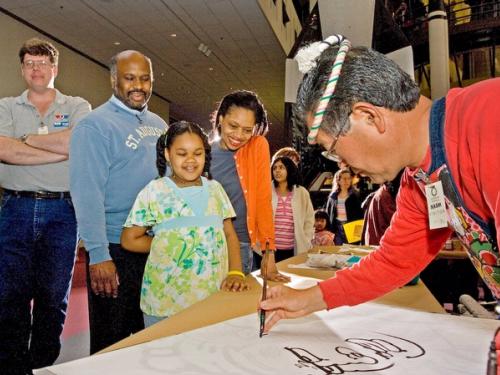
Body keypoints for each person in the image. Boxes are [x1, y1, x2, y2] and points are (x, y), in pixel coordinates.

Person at [260, 34, 500, 331]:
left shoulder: (490, 119)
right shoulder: (419, 179)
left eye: (334, 150)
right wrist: (309, 299)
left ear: (369, 117)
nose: (343, 165)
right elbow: (393, 261)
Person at [0, 38, 91, 374]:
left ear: (55, 68)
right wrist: (59, 148)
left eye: (42, 63)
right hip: (15, 208)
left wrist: (26, 141)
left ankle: (41, 364)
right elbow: (3, 151)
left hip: (63, 212)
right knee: (10, 295)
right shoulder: (6, 106)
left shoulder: (78, 105)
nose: (36, 69)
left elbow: (79, 142)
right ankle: (12, 365)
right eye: (29, 63)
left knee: (53, 297)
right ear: (23, 69)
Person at [70, 50, 168, 353]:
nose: (138, 85)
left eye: (144, 78)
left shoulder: (160, 124)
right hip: (114, 249)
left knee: (149, 336)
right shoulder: (94, 126)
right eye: (129, 78)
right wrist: (98, 255)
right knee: (112, 343)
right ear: (114, 80)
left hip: (154, 246)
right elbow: (87, 194)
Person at [121, 121, 248, 327]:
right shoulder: (154, 191)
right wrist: (170, 244)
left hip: (211, 299)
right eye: (182, 153)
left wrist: (235, 272)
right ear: (167, 154)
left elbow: (229, 235)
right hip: (165, 304)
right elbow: (129, 239)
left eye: (197, 153)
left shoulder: (215, 189)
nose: (191, 160)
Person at [209, 90, 289, 282]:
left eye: (247, 130)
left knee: (234, 307)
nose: (238, 135)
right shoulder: (203, 153)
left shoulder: (257, 146)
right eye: (233, 126)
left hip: (242, 244)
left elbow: (263, 200)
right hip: (207, 244)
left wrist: (269, 252)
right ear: (220, 119)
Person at [270, 156, 314, 261]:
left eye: (281, 167)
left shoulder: (301, 192)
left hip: (294, 250)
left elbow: (309, 220)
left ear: (289, 169)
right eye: (274, 168)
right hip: (270, 251)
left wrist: (307, 240)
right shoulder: (266, 191)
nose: (277, 171)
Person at [325, 168, 363, 244]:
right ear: (338, 180)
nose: (347, 181)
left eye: (349, 178)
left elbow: (360, 216)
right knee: (338, 250)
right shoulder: (333, 197)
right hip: (337, 228)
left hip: (351, 227)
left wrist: (357, 233)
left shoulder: (355, 196)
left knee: (351, 250)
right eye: (344, 178)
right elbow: (328, 215)